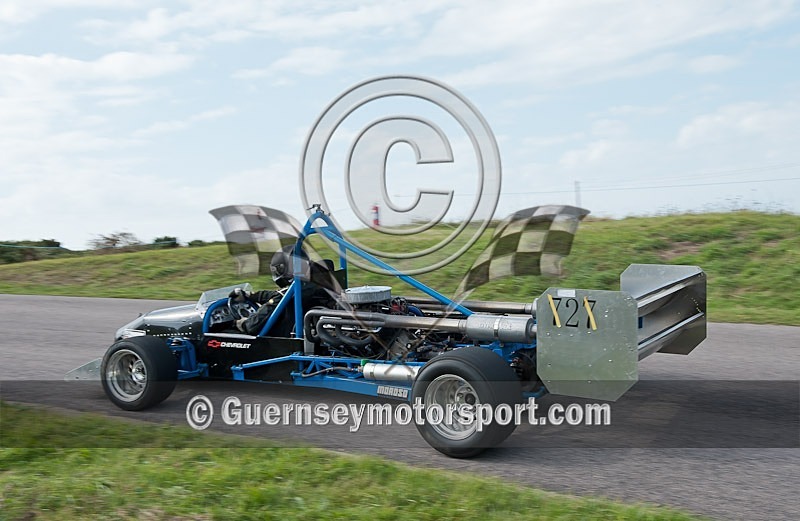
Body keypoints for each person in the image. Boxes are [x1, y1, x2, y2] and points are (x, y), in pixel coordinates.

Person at [229, 245, 338, 336]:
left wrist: (240, 323)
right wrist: (251, 295)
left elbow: (252, 326)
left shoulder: (287, 297)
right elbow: (282, 294)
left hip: (285, 346)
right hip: (313, 333)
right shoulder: (318, 284)